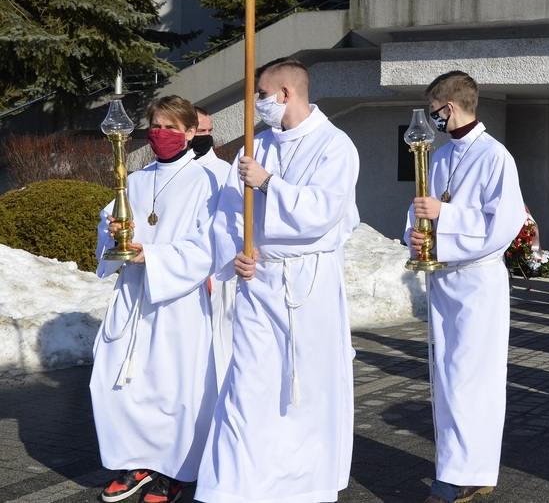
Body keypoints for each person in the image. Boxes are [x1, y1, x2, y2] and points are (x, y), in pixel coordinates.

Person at [196, 58, 360, 503]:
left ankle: (306, 485)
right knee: (248, 382)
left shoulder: (335, 144)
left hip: (310, 282)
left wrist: (269, 183)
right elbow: (230, 213)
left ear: (286, 94)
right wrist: (240, 252)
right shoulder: (257, 144)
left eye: (262, 95)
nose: (258, 104)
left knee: (306, 387)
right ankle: (233, 486)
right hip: (258, 282)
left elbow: (322, 214)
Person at [92, 95, 219, 503]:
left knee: (173, 386)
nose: (160, 133)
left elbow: (209, 246)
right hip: (132, 295)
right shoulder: (136, 178)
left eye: (170, 126)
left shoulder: (207, 181)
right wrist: (113, 233)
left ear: (188, 132)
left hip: (176, 298)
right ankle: (136, 463)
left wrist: (154, 255)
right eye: (155, 125)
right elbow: (110, 224)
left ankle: (174, 471)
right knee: (118, 382)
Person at [406, 71, 525, 503]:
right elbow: (421, 208)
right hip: (443, 278)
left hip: (477, 282)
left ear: (448, 108)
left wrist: (444, 217)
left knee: (472, 377)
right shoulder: (439, 157)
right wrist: (417, 235)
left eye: (434, 111)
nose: (431, 120)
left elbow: (505, 224)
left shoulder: (496, 157)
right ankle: (456, 465)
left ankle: (465, 472)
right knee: (446, 378)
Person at [192, 107, 237, 391]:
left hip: (214, 272)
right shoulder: (157, 173)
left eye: (209, 132)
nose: (206, 137)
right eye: (200, 132)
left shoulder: (223, 173)